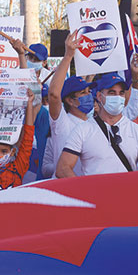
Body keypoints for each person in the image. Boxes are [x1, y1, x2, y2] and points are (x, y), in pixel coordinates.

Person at [56, 73, 138, 177]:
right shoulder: (82, 130)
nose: (117, 97)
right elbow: (63, 169)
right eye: (112, 93)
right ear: (100, 96)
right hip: (93, 192)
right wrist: (84, 191)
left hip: (127, 191)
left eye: (121, 93)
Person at [46, 31, 93, 178]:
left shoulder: (96, 124)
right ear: (70, 100)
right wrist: (68, 56)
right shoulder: (62, 122)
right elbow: (54, 94)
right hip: (65, 189)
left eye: (88, 91)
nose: (89, 95)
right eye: (83, 93)